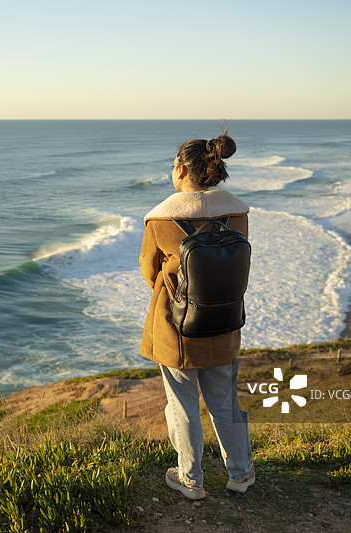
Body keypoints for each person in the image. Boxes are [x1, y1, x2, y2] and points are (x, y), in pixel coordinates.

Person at [139, 128, 254, 501]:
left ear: (183, 171)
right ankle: (240, 474)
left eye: (174, 166)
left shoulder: (160, 221)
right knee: (225, 401)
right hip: (224, 322)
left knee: (183, 403)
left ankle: (191, 480)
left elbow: (149, 271)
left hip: (178, 329)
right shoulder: (237, 213)